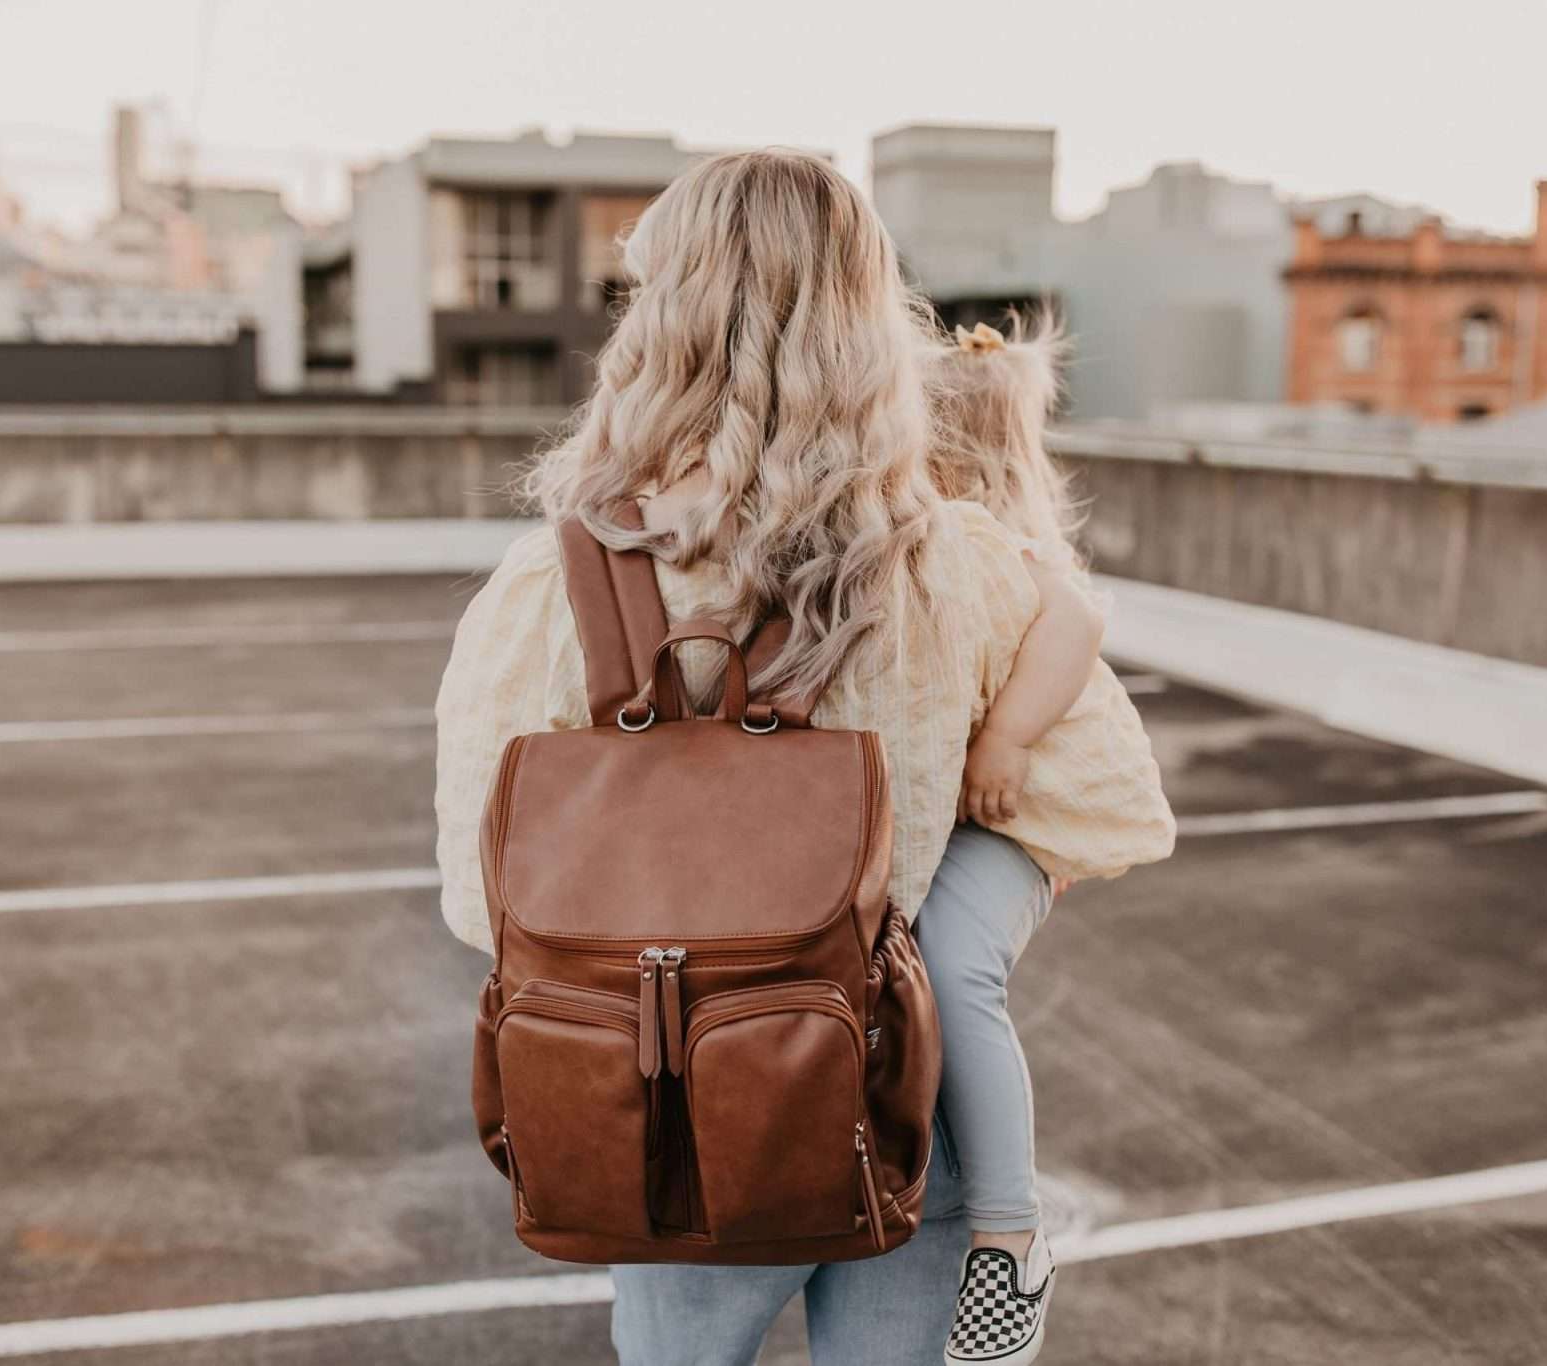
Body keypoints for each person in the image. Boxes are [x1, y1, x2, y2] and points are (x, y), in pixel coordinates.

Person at [432, 150, 1171, 1366]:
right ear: (866, 326)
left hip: (665, 1127)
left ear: (655, 322)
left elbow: (483, 904)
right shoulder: (960, 569)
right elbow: (1100, 811)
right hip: (884, 1103)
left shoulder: (544, 592)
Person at [918, 318, 1176, 1363]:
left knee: (948, 962)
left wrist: (1004, 736)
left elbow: (1076, 623)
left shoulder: (991, 533)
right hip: (981, 805)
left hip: (1025, 808)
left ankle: (1008, 1233)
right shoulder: (933, 527)